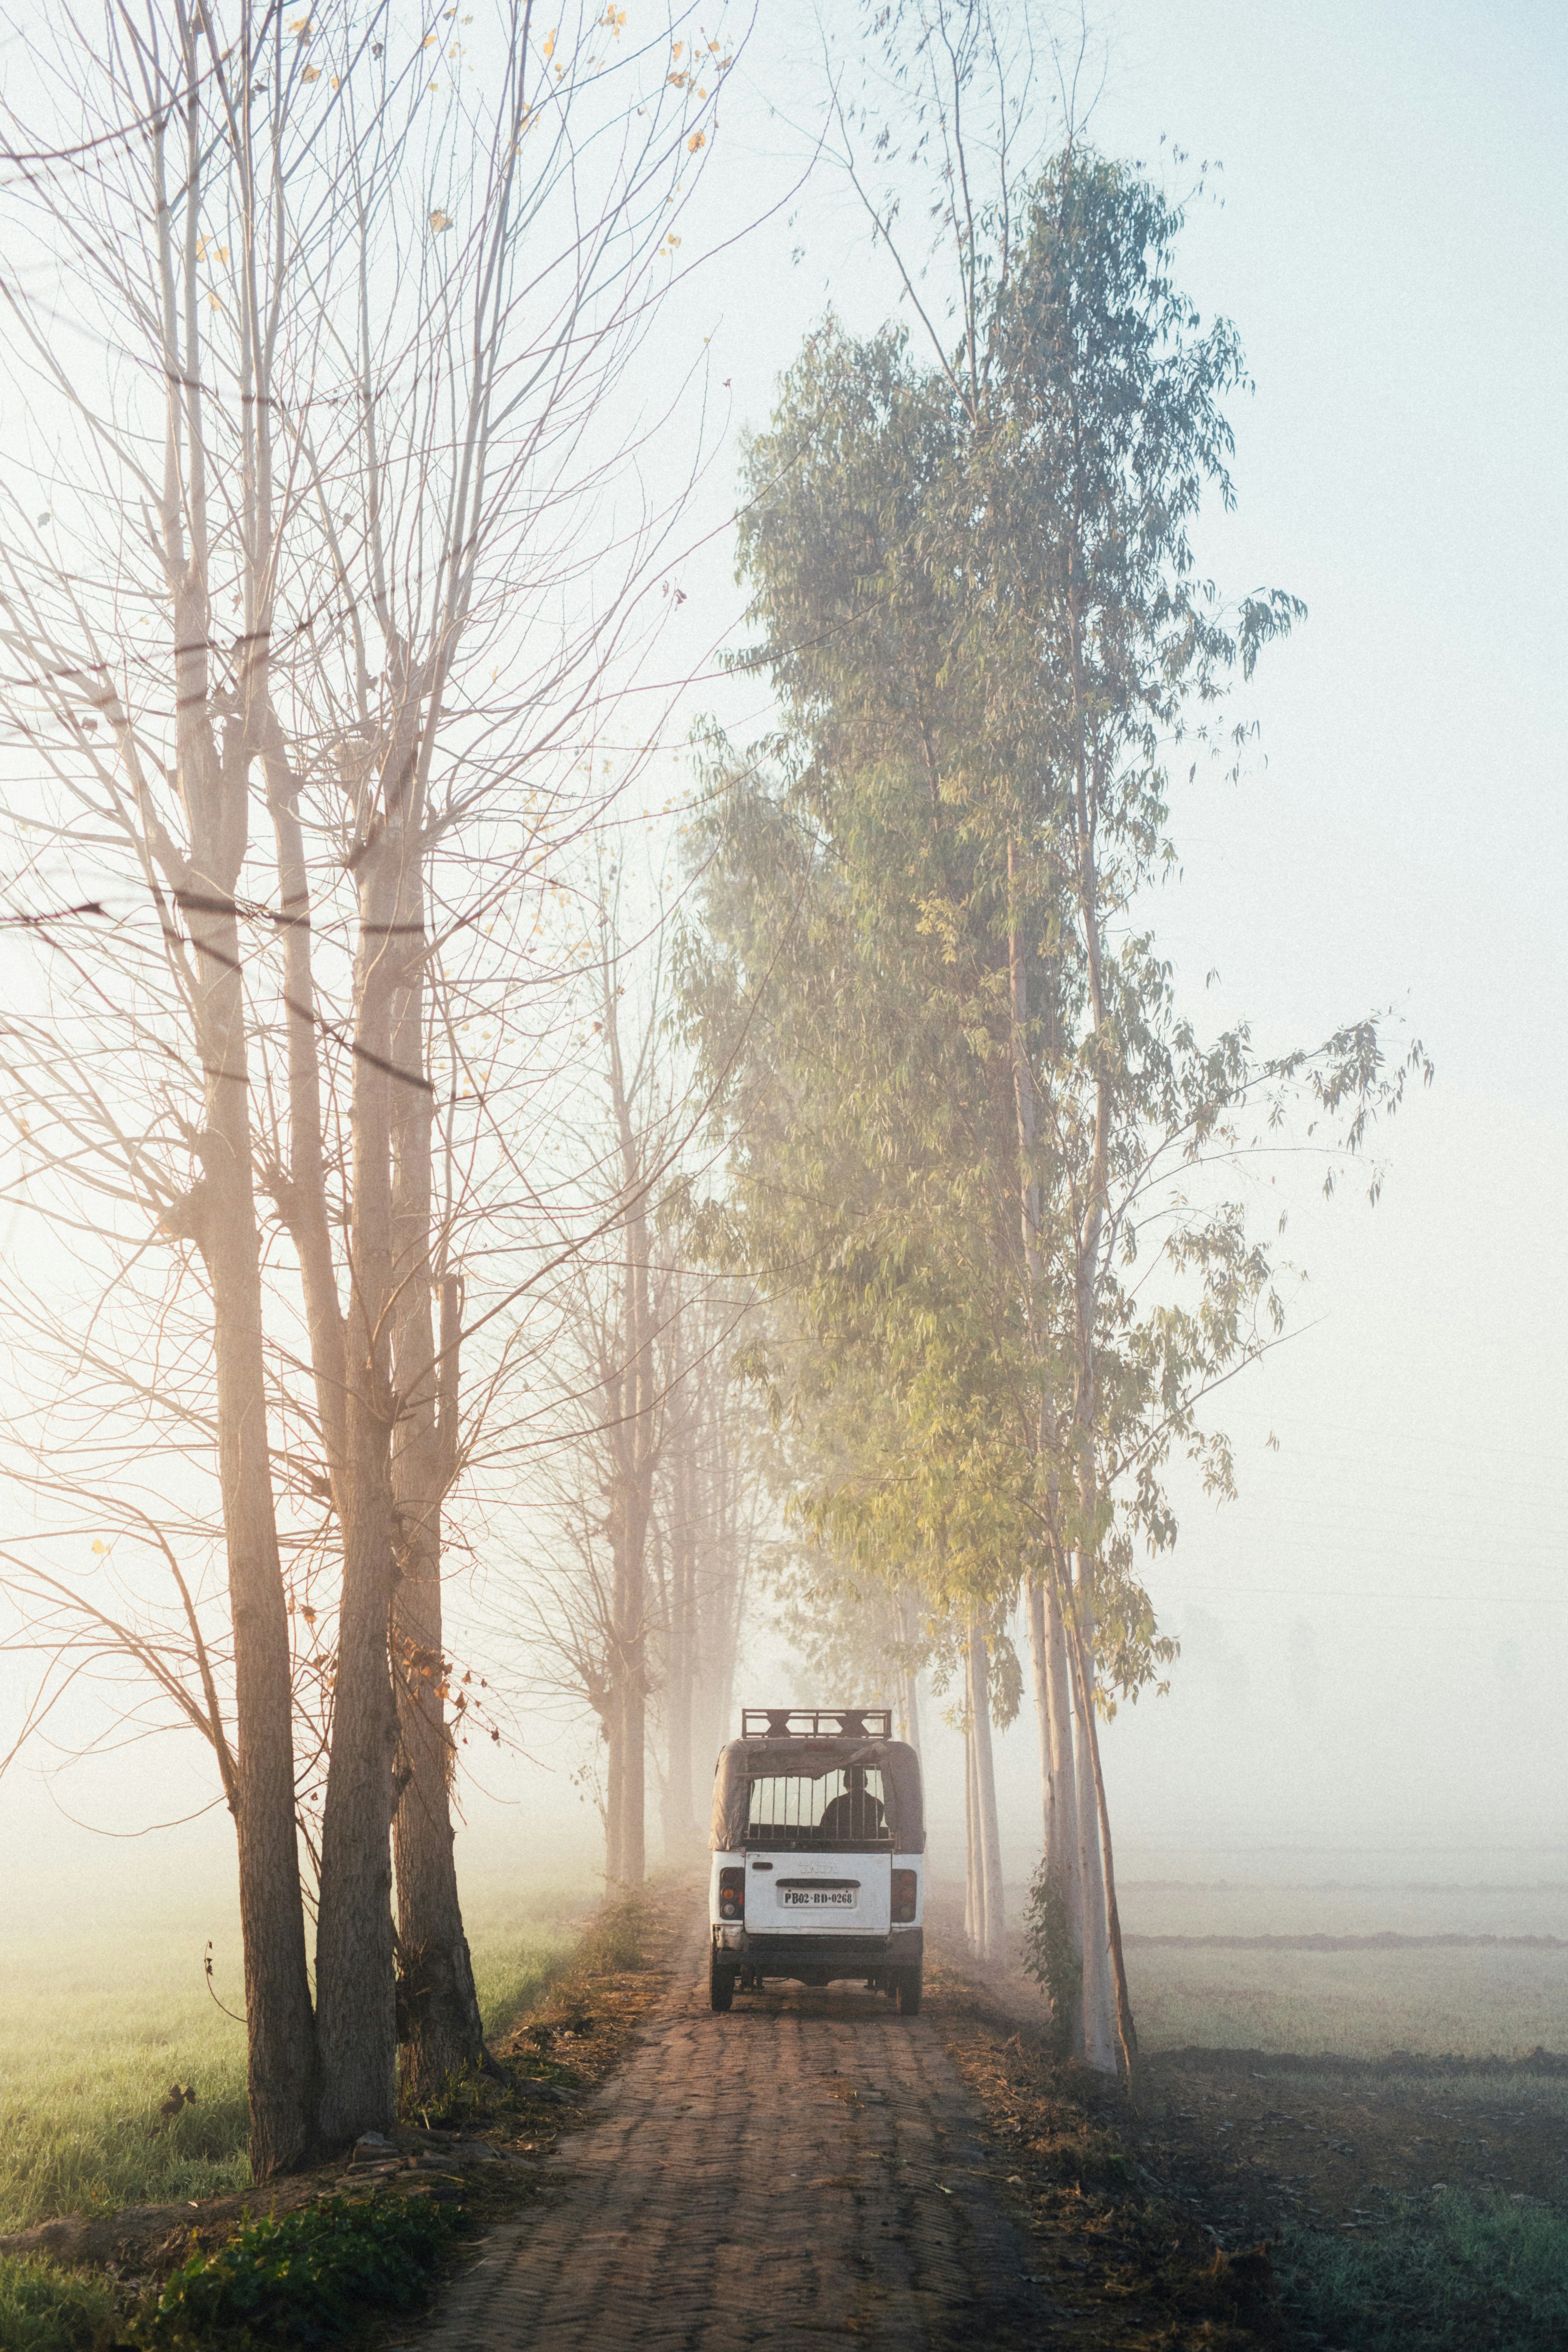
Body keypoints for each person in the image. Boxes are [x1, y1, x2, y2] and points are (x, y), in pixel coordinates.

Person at [816, 1766, 886, 1844]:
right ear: (866, 1783)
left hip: (840, 1846)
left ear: (845, 1784)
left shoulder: (837, 1803)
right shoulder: (877, 1804)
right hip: (868, 1846)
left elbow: (823, 1829)